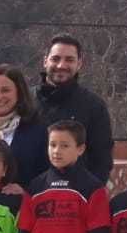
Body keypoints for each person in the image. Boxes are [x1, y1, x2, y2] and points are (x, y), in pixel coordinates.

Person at [35, 34, 113, 183]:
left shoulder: (94, 105)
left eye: (69, 60)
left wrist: (88, 193)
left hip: (75, 197)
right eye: (56, 58)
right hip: (30, 195)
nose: (61, 65)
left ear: (79, 64)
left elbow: (102, 159)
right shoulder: (25, 101)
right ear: (45, 61)